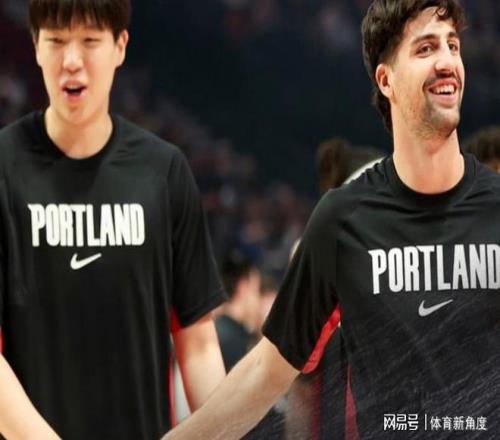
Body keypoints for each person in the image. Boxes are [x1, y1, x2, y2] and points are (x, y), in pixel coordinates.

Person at [165, 0, 500, 439]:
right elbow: (267, 371)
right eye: (425, 48)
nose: (446, 61)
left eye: (452, 45)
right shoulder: (344, 219)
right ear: (386, 80)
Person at [0, 1, 227, 438]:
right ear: (35, 46)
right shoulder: (4, 169)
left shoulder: (164, 172)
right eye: (57, 40)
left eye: (89, 41)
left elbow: (198, 345)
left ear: (120, 46)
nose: (72, 60)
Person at [215, 250, 261, 372]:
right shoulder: (236, 341)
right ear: (243, 287)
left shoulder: (215, 332)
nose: (258, 301)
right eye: (256, 290)